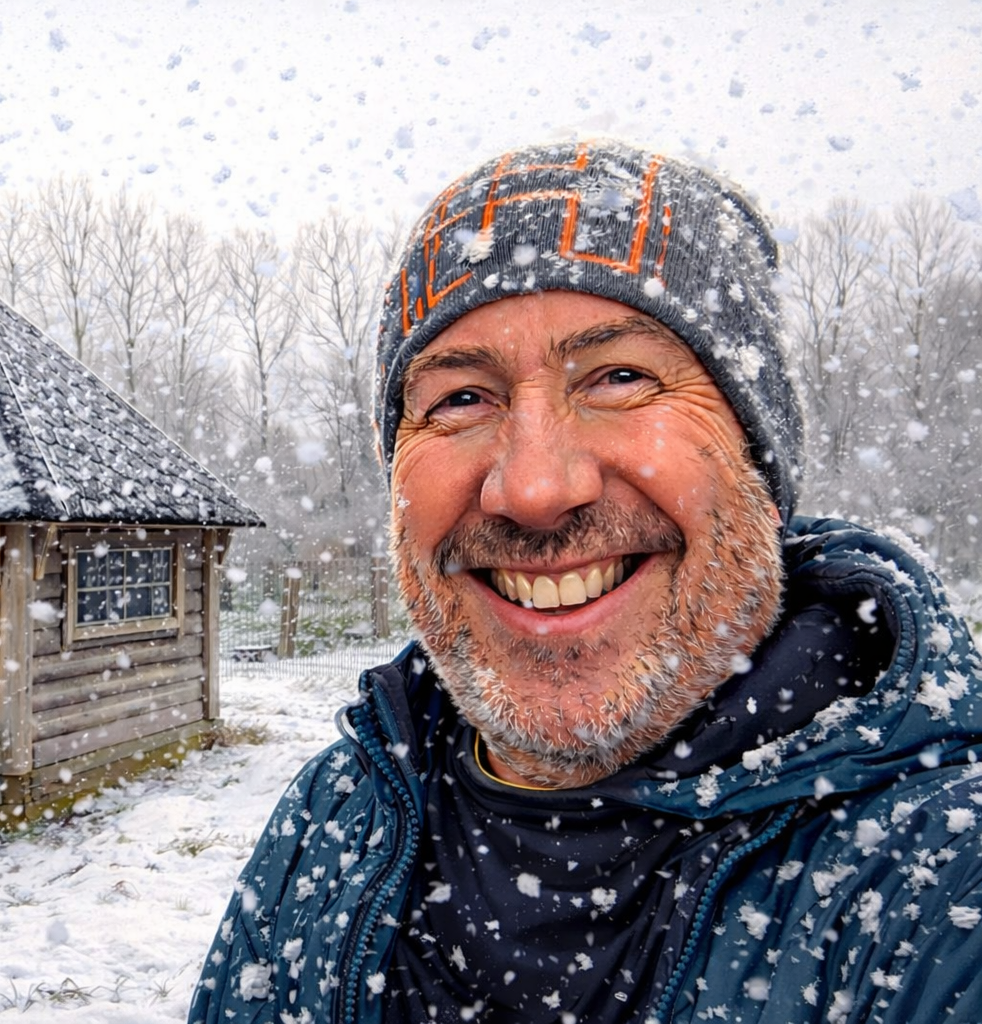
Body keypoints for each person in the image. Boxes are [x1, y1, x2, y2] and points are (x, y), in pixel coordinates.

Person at [189, 140, 982, 1024]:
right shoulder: (336, 818)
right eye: (461, 398)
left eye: (620, 377)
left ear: (757, 460)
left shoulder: (941, 884)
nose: (533, 489)